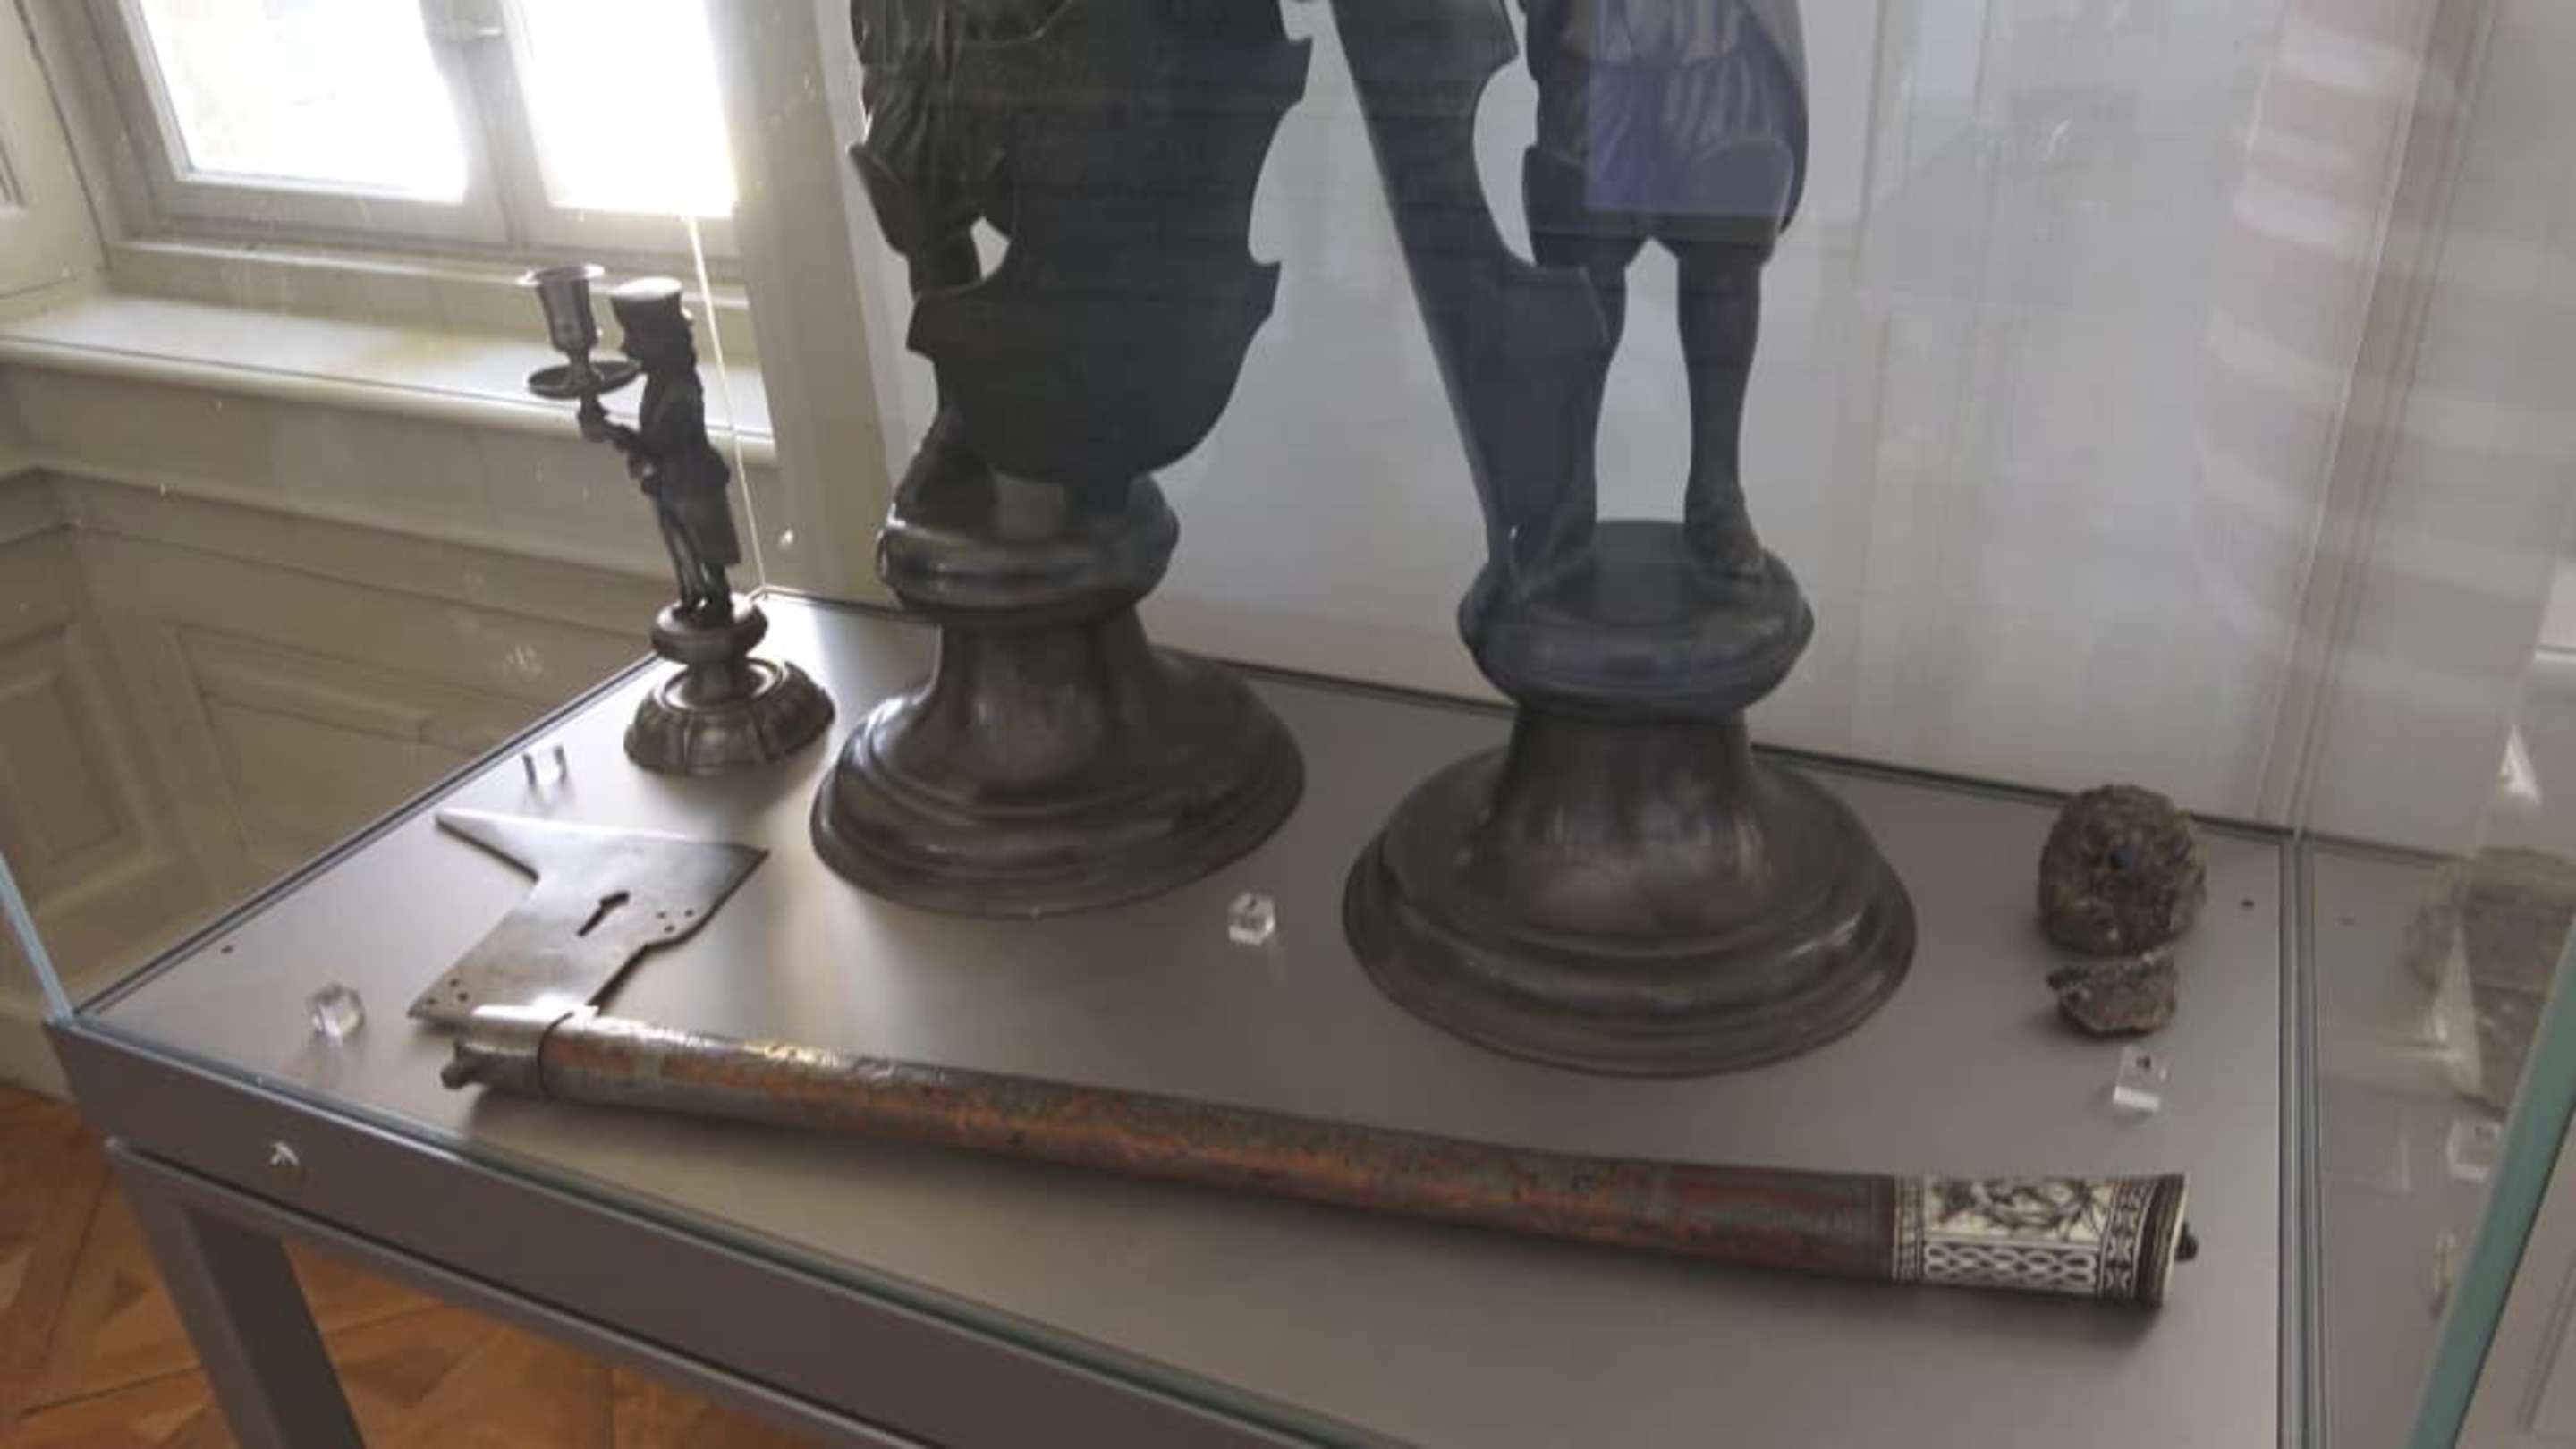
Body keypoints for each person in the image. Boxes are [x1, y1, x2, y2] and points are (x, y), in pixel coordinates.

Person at [1519, 0, 1809, 576]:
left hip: (1717, 26)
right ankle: (1566, 496)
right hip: (1596, 25)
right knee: (1581, 254)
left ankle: (1717, 494)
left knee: (1724, 248)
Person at [585, 279, 741, 624]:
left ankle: (717, 597)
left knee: (702, 542)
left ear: (662, 342)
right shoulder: (660, 384)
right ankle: (693, 591)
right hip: (670, 483)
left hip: (693, 481)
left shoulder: (681, 390)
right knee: (678, 539)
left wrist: (614, 432)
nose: (626, 348)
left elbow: (664, 445)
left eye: (635, 340)